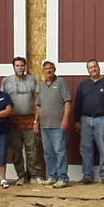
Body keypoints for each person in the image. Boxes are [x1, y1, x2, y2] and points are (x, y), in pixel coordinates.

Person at [2, 57, 46, 185]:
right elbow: (2, 100)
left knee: (32, 149)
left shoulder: (31, 80)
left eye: (22, 65)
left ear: (25, 67)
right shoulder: (6, 81)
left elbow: (38, 100)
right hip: (13, 120)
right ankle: (21, 175)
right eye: (17, 66)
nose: (20, 68)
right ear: (13, 67)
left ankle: (34, 175)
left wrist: (36, 120)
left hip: (29, 119)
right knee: (16, 150)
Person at [73, 59, 104, 185]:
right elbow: (78, 103)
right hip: (85, 119)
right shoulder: (83, 85)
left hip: (102, 119)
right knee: (85, 148)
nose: (93, 69)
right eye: (90, 67)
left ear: (99, 67)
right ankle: (87, 175)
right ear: (88, 70)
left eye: (95, 66)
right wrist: (76, 120)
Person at [34, 60, 72, 188]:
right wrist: (36, 122)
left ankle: (63, 178)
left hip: (58, 125)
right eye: (46, 69)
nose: (48, 70)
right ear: (43, 71)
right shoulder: (41, 86)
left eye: (51, 68)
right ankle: (52, 176)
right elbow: (38, 105)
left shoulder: (62, 82)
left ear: (54, 69)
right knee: (48, 153)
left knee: (60, 151)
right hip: (44, 125)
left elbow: (67, 102)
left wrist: (65, 119)